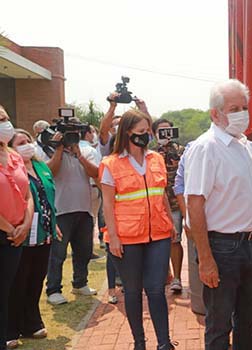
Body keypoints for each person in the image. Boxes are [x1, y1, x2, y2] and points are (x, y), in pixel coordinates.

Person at [184, 79, 252, 350]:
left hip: (247, 245)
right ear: (215, 114)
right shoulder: (206, 148)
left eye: (244, 107)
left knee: (249, 318)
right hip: (221, 248)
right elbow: (195, 205)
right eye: (234, 108)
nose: (242, 114)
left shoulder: (247, 146)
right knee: (219, 325)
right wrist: (205, 259)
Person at [100, 109, 178, 350]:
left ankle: (164, 344)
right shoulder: (110, 164)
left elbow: (161, 192)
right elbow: (108, 205)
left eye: (148, 132)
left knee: (156, 289)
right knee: (132, 291)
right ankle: (139, 343)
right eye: (141, 132)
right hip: (126, 236)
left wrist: (170, 223)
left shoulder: (155, 159)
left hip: (159, 234)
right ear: (127, 133)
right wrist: (113, 237)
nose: (146, 137)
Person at [6, 129, 60, 348]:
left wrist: (54, 225)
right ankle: (10, 327)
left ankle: (31, 322)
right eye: (21, 142)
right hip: (22, 233)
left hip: (44, 233)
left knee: (36, 279)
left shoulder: (40, 167)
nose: (27, 144)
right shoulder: (12, 169)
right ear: (11, 147)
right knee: (18, 281)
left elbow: (49, 197)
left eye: (28, 140)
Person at [45, 117, 99, 305]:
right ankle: (53, 289)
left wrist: (79, 155)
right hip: (61, 211)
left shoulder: (85, 151)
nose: (71, 138)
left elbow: (96, 173)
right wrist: (59, 149)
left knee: (84, 250)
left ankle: (80, 282)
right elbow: (50, 172)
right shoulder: (50, 151)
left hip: (84, 209)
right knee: (57, 254)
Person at [0, 105, 34, 350]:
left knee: (7, 292)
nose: (5, 123)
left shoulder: (14, 156)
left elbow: (28, 194)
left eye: (6, 118)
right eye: (0, 119)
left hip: (17, 235)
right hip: (6, 233)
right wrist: (9, 228)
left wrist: (25, 223)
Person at [152, 118, 185, 293]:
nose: (164, 134)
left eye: (167, 130)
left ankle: (177, 278)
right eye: (160, 131)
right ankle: (165, 274)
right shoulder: (150, 153)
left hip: (176, 203)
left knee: (175, 239)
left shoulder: (181, 150)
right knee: (158, 241)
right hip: (157, 204)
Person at [79, 125, 104, 260]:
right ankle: (88, 251)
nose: (93, 134)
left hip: (76, 190)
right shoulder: (90, 150)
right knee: (90, 220)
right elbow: (96, 173)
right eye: (92, 132)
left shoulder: (70, 148)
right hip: (92, 188)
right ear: (87, 134)